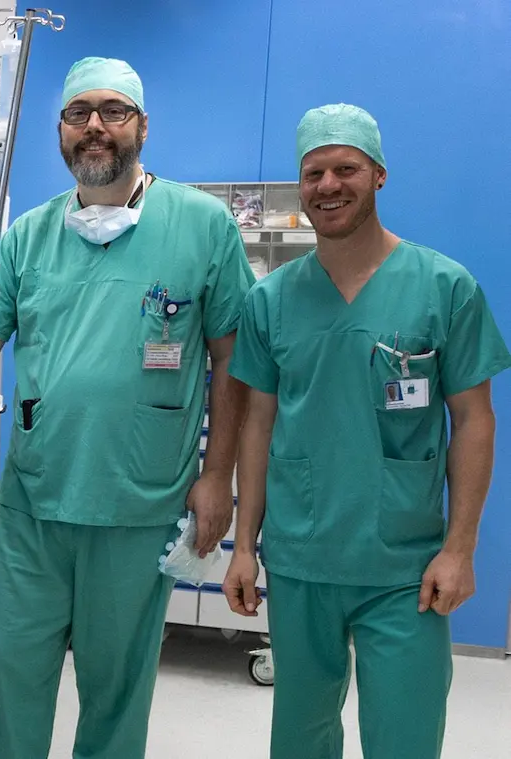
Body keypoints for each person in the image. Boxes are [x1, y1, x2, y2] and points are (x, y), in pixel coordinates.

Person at [0, 57, 255, 758]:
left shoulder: (203, 226)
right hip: (36, 504)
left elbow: (233, 360)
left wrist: (216, 474)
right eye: (79, 113)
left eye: (113, 111)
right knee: (14, 675)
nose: (96, 127)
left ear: (142, 126)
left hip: (139, 505)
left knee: (116, 687)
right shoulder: (28, 236)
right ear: (60, 132)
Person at [223, 103, 511, 759]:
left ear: (378, 174)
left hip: (403, 565)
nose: (329, 185)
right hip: (300, 560)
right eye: (314, 171)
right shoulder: (271, 301)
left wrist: (460, 547)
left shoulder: (444, 288)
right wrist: (245, 544)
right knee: (300, 735)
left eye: (345, 168)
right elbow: (257, 423)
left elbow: (474, 420)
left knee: (406, 736)